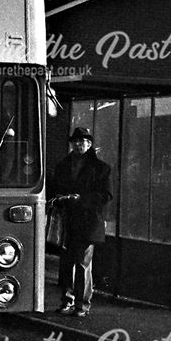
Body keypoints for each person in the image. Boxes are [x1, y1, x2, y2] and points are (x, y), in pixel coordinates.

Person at [49, 127, 112, 317]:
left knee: (83, 264)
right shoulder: (62, 166)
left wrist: (81, 199)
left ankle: (82, 305)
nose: (78, 144)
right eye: (75, 141)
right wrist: (60, 198)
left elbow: (106, 195)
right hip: (67, 221)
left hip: (88, 222)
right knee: (67, 264)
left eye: (82, 141)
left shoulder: (101, 168)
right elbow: (53, 188)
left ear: (90, 144)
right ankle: (68, 302)